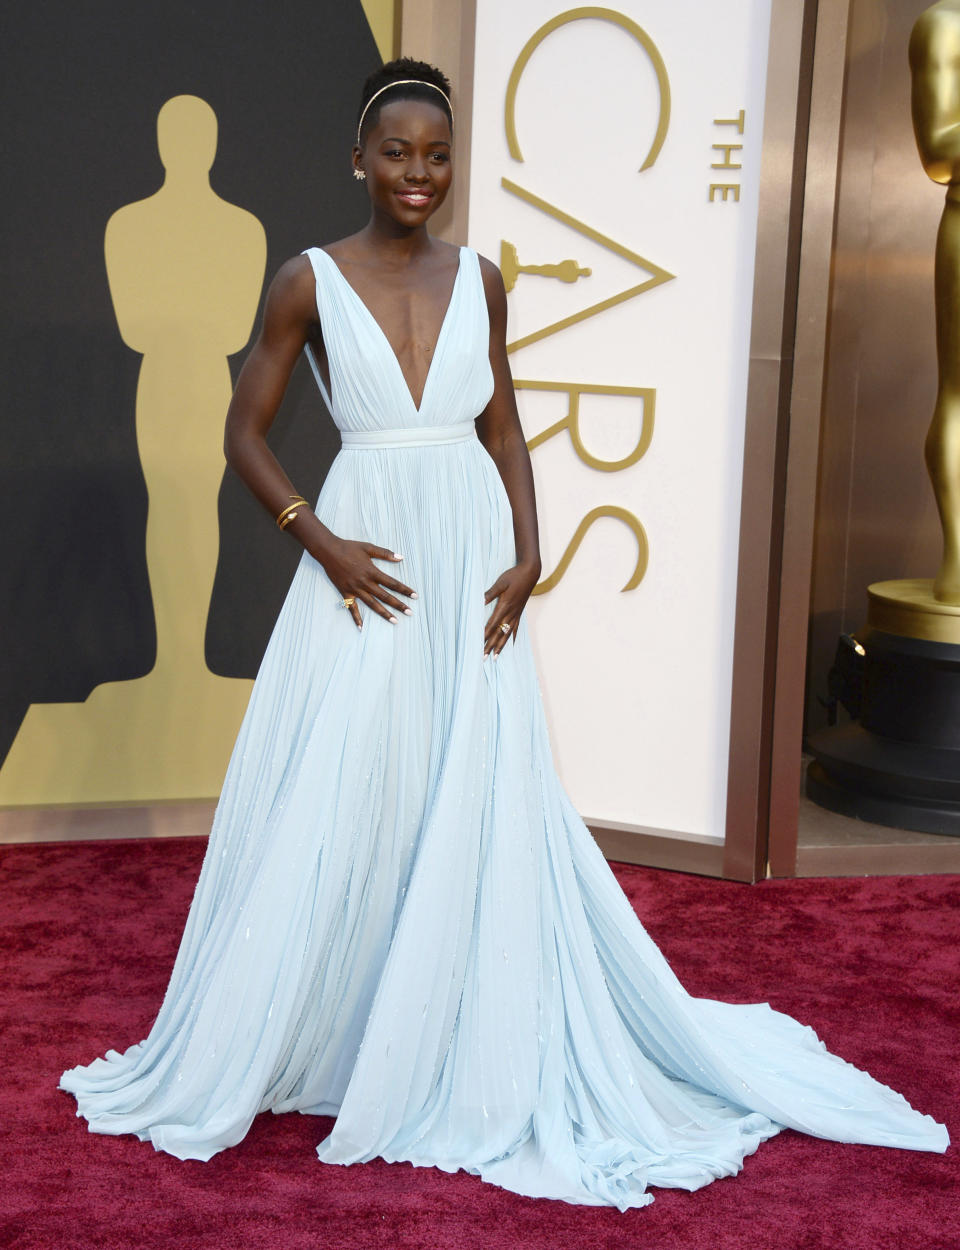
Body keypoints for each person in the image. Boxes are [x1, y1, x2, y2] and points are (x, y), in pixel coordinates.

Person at [60, 57, 949, 1212]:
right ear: (358, 159)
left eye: (437, 155)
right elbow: (243, 430)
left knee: (466, 782)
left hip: (474, 561)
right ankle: (336, 1021)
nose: (418, 173)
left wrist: (533, 548)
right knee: (348, 784)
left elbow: (506, 422)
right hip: (368, 558)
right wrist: (317, 540)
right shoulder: (304, 280)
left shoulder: (484, 279)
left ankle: (444, 1017)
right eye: (397, 153)